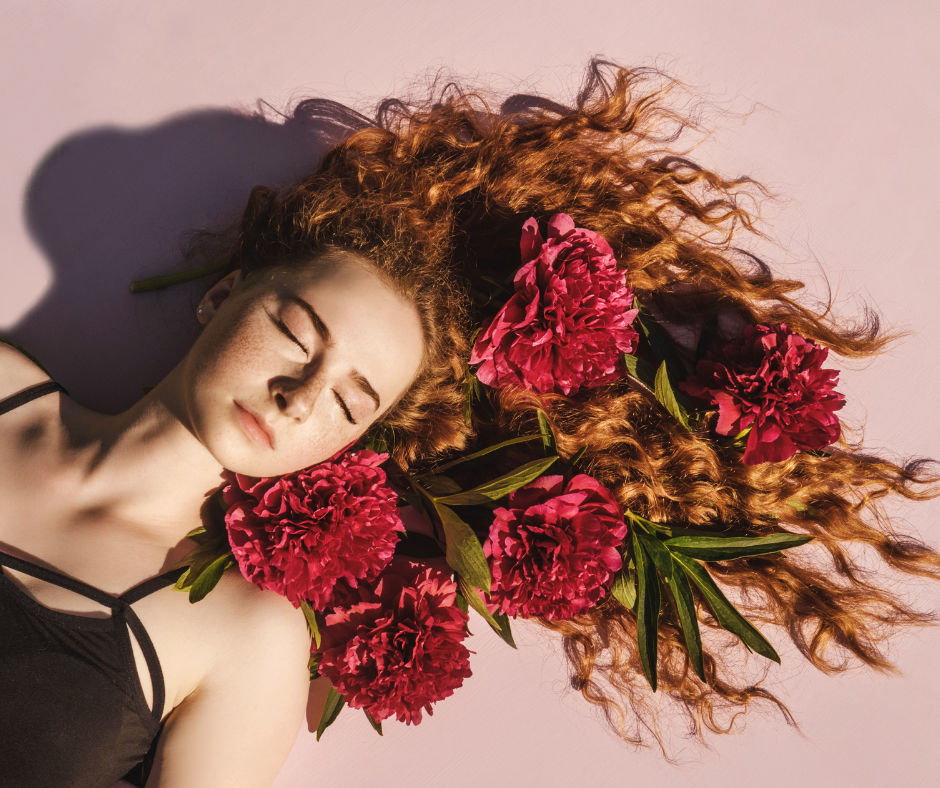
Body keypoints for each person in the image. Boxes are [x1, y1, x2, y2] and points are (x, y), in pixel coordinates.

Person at [1, 60, 937, 787]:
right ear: (221, 295)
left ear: (355, 445)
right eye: (294, 331)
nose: (297, 393)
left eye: (348, 398)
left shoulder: (243, 637)